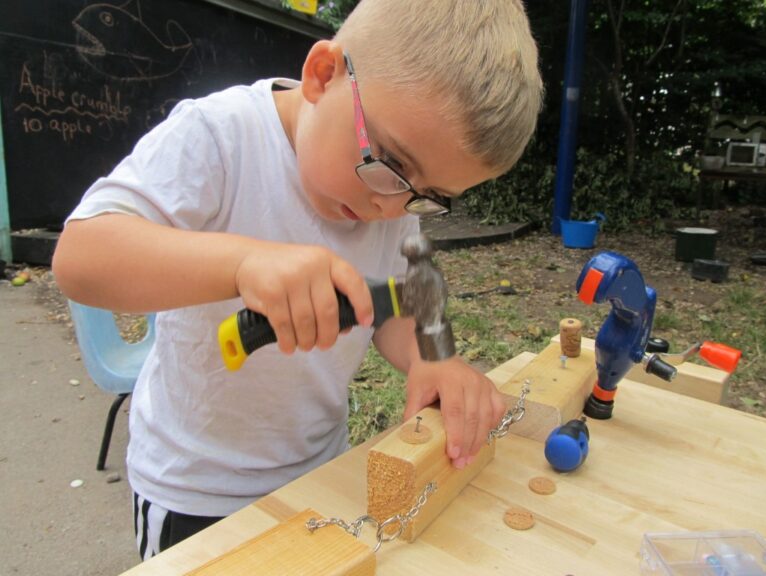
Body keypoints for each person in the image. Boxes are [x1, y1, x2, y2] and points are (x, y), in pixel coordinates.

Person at [52, 0, 543, 559]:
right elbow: (80, 257)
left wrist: (435, 355)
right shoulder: (220, 137)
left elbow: (403, 301)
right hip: (196, 492)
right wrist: (242, 264)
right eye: (389, 163)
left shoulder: (398, 197)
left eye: (431, 197)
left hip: (321, 472)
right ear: (322, 75)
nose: (391, 206)